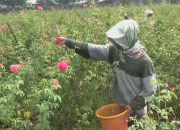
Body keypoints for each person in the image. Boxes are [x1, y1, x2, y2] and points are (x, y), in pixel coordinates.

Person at [58, 18, 157, 127]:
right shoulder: (116, 52)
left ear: (129, 39)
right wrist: (69, 42)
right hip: (121, 107)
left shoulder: (144, 62)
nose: (116, 44)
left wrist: (133, 106)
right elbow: (93, 49)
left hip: (138, 112)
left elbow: (150, 90)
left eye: (119, 41)